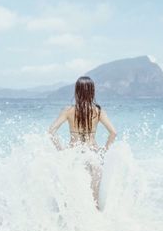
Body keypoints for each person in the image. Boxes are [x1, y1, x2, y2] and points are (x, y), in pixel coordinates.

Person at [48, 76, 117, 210]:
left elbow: (51, 131)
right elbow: (113, 133)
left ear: (76, 91)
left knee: (70, 198)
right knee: (94, 200)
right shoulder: (98, 111)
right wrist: (104, 150)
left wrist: (61, 150)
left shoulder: (68, 111)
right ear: (92, 92)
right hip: (93, 154)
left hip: (73, 154)